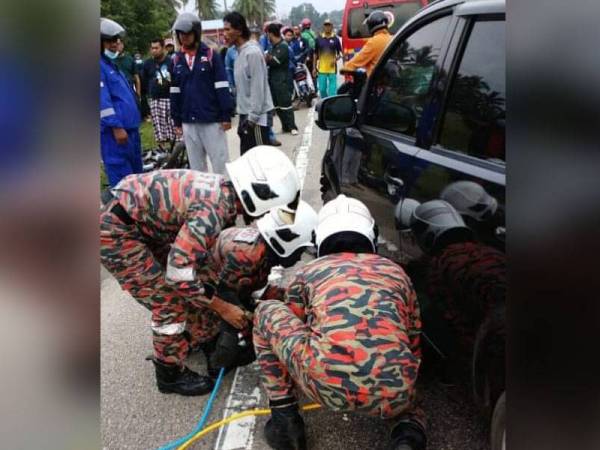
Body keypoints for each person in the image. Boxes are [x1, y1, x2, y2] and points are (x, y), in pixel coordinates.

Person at [100, 147, 302, 396]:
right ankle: (169, 374)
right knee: (169, 303)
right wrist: (223, 307)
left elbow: (195, 267)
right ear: (259, 195)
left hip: (141, 222)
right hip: (115, 231)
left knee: (203, 279)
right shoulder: (213, 209)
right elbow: (179, 273)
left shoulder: (223, 193)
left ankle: (206, 339)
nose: (267, 214)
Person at [253, 194, 427, 450]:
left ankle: (285, 422)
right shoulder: (396, 272)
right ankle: (407, 436)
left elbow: (293, 322)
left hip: (325, 387)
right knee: (406, 396)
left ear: (319, 238)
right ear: (371, 234)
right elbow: (413, 340)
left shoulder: (308, 272)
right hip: (395, 391)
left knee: (266, 311)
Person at [208, 200, 319, 369]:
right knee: (232, 344)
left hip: (230, 284)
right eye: (299, 251)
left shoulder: (263, 248)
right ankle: (216, 361)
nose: (298, 258)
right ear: (286, 240)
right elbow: (222, 295)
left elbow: (254, 286)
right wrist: (247, 318)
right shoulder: (247, 256)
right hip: (207, 292)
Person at [170, 12, 234, 174]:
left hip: (211, 120)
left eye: (187, 33)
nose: (184, 37)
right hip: (188, 123)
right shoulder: (176, 60)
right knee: (197, 169)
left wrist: (226, 115)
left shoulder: (211, 55)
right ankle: (201, 199)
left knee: (220, 163)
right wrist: (177, 119)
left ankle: (224, 197)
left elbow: (222, 86)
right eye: (180, 34)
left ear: (196, 33)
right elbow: (175, 91)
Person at [223, 12, 277, 154]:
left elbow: (258, 87)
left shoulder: (252, 53)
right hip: (245, 115)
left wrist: (252, 119)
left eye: (228, 29)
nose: (224, 34)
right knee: (248, 165)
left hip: (256, 119)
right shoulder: (238, 52)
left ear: (239, 30)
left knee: (260, 165)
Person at [100, 18, 143, 187]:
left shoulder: (110, 65)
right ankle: (124, 213)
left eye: (116, 40)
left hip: (130, 131)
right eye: (110, 40)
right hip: (115, 135)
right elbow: (102, 102)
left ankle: (137, 213)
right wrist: (116, 127)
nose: (115, 44)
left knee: (137, 179)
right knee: (123, 183)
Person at [141, 38, 179, 151]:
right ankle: (162, 151)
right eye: (152, 48)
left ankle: (174, 151)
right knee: (159, 129)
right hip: (155, 100)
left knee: (173, 128)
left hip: (171, 98)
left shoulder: (171, 62)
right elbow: (144, 81)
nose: (154, 50)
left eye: (156, 48)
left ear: (163, 48)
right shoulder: (147, 64)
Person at [265, 23, 299, 135]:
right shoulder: (272, 47)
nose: (267, 37)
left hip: (282, 80)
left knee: (286, 104)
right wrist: (268, 58)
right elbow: (268, 60)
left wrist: (268, 58)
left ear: (271, 34)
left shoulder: (283, 46)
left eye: (267, 34)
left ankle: (293, 127)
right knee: (277, 105)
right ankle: (285, 126)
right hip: (273, 80)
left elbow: (275, 61)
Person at [343, 11, 392, 77]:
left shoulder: (374, 42)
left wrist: (345, 68)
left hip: (376, 82)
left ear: (371, 25)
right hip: (390, 79)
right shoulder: (392, 38)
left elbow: (357, 61)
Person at [314, 19, 342, 98]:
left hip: (332, 69)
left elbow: (340, 54)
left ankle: (332, 104)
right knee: (322, 89)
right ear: (324, 27)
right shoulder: (319, 39)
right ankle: (325, 102)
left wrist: (336, 59)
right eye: (326, 25)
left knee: (332, 91)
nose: (327, 27)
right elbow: (315, 54)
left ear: (331, 27)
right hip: (321, 68)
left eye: (329, 25)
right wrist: (314, 68)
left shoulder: (335, 39)